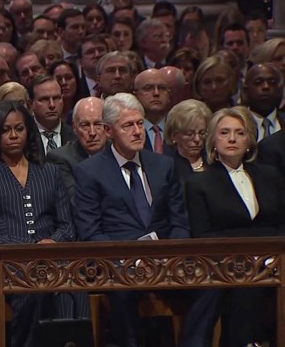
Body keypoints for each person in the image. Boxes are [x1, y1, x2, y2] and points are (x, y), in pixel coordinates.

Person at [73, 93, 191, 347]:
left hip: (164, 262)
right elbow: (91, 231)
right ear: (108, 131)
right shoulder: (89, 172)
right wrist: (130, 263)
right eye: (128, 125)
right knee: (123, 293)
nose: (138, 131)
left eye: (140, 123)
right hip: (119, 266)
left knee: (209, 288)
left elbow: (179, 221)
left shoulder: (164, 165)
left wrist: (170, 259)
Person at [0, 100, 78, 347]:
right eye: (5, 130)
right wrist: (28, 248)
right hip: (4, 263)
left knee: (71, 286)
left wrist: (52, 242)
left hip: (51, 257)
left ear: (29, 131)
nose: (13, 136)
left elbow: (67, 226)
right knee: (34, 284)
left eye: (19, 129)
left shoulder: (49, 172)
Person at [185, 107, 285, 347]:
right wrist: (250, 251)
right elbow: (203, 234)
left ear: (249, 140)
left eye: (240, 133)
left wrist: (271, 254)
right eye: (225, 133)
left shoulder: (269, 175)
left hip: (274, 260)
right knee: (244, 285)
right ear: (213, 140)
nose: (232, 139)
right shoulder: (199, 183)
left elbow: (281, 221)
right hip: (226, 263)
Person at [47, 97, 107, 196]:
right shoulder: (60, 158)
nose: (92, 132)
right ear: (75, 128)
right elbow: (76, 200)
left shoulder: (117, 150)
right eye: (85, 125)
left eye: (98, 124)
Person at [163, 99, 212, 183]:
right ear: (174, 136)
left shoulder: (214, 162)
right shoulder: (166, 168)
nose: (197, 139)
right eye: (189, 134)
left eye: (202, 133)